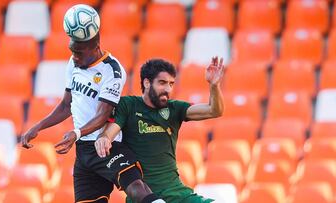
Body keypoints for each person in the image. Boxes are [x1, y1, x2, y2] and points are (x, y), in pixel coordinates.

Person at [21, 4, 164, 203]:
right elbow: (65, 105)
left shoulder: (111, 71)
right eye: (72, 51)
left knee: (136, 188)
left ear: (95, 47)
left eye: (79, 52)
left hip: (107, 144)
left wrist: (76, 132)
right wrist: (38, 126)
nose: (74, 56)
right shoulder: (74, 64)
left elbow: (103, 115)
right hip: (84, 152)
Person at [95, 57, 225, 202]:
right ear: (147, 83)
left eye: (171, 84)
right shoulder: (129, 105)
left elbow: (214, 111)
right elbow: (110, 131)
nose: (168, 89)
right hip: (142, 195)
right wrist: (104, 138)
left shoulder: (174, 108)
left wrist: (214, 85)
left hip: (178, 194)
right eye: (162, 83)